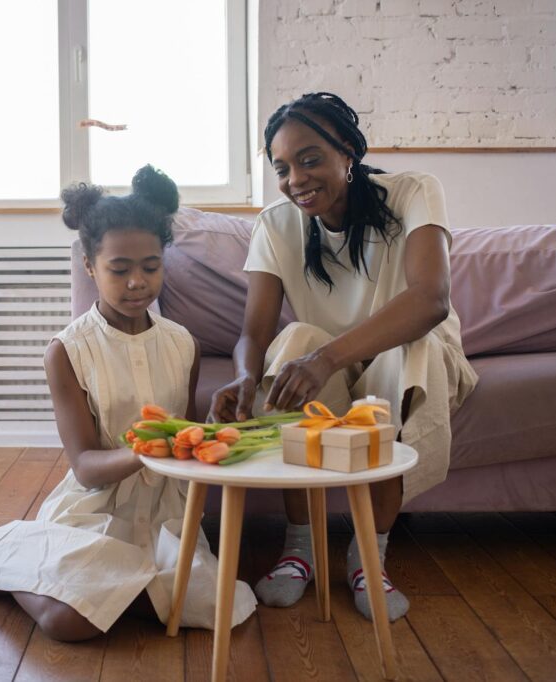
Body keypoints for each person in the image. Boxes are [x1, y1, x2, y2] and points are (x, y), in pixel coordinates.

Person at [0, 165, 256, 641]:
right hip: (95, 511)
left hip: (167, 517)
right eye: (119, 269)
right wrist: (146, 449)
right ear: (90, 267)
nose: (137, 282)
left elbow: (191, 449)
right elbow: (86, 467)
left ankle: (42, 577)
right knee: (71, 623)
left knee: (219, 605)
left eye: (151, 267)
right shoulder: (67, 351)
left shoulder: (183, 344)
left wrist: (214, 434)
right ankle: (18, 581)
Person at [211, 92, 478, 621]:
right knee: (291, 345)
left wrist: (328, 360)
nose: (295, 180)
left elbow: (430, 300)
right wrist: (246, 376)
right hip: (328, 357)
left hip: (404, 347)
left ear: (348, 154)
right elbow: (254, 333)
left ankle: (368, 559)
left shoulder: (414, 192)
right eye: (282, 168)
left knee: (406, 356)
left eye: (310, 159)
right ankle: (300, 549)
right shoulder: (276, 224)